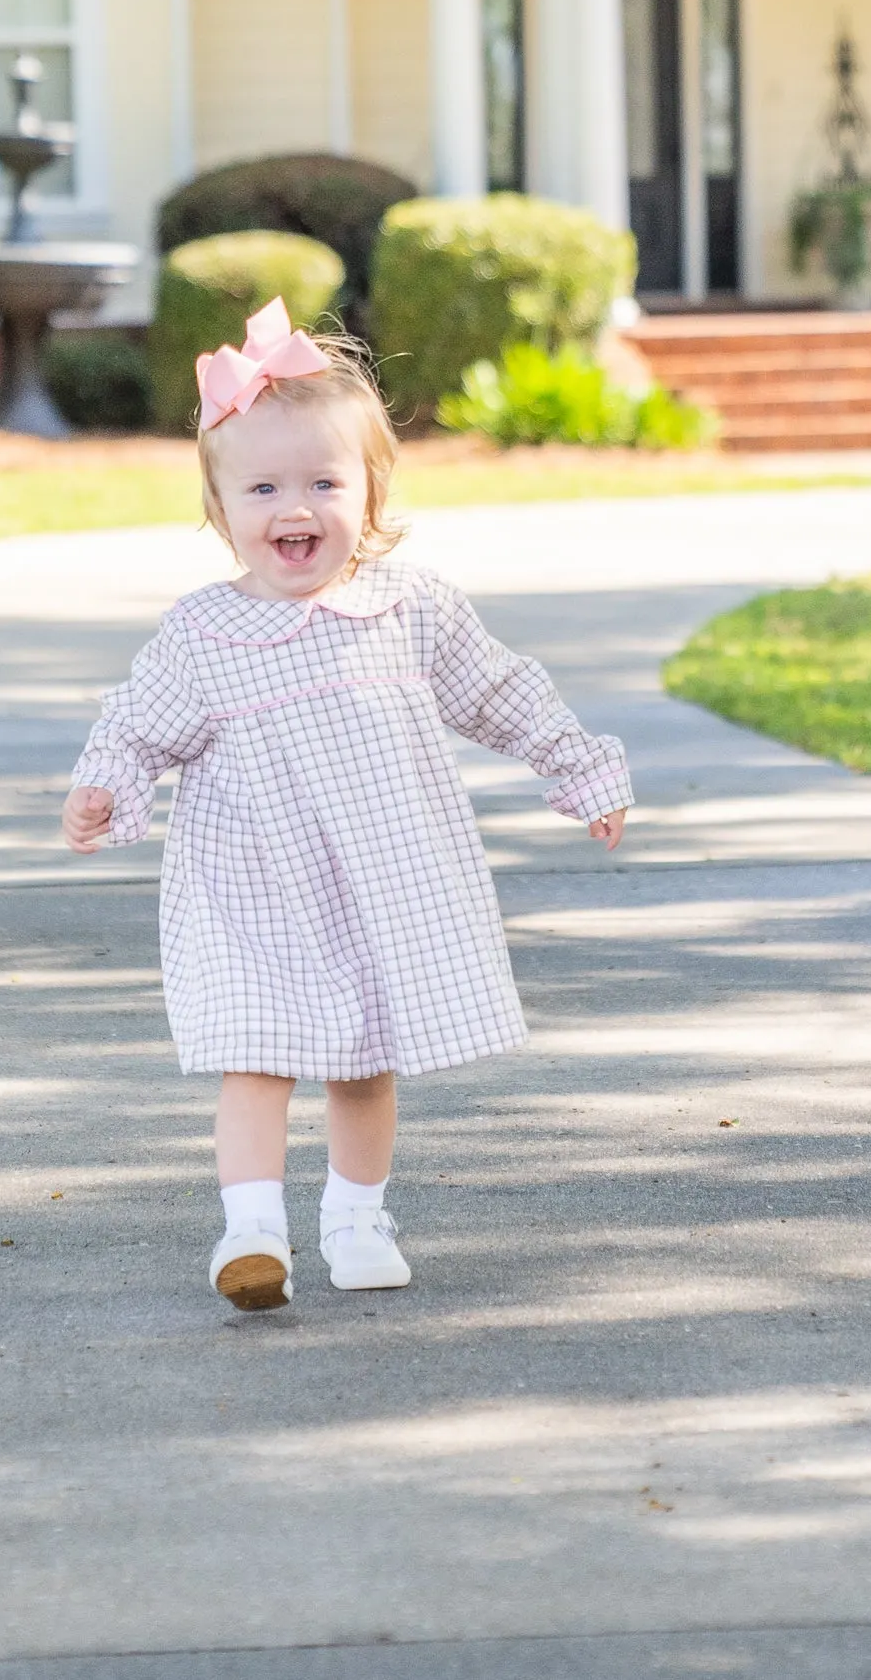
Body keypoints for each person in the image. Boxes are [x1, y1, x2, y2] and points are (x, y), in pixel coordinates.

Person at [63, 297, 632, 1312]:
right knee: (255, 1056)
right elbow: (137, 720)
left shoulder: (406, 607)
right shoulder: (204, 635)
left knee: (365, 1065)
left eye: (325, 481)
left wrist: (577, 764)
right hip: (254, 888)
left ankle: (358, 1217)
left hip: (377, 883)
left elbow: (496, 690)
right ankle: (252, 1232)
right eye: (265, 486)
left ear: (369, 492)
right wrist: (104, 785)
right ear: (221, 508)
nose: (298, 506)